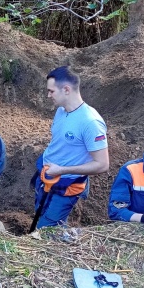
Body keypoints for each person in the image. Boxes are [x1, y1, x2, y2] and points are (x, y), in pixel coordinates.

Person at [32, 66, 110, 228]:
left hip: (67, 183)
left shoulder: (91, 122)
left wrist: (61, 170)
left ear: (66, 89)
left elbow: (102, 164)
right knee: (41, 211)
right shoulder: (61, 111)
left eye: (51, 91)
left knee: (46, 229)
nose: (48, 95)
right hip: (47, 174)